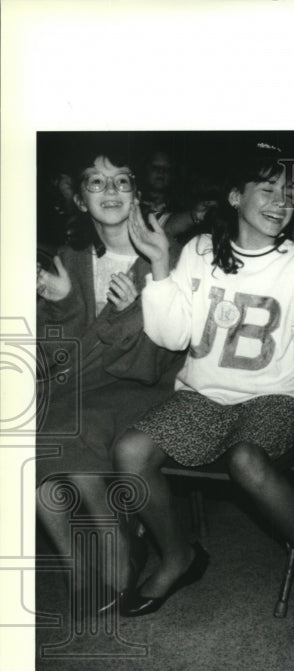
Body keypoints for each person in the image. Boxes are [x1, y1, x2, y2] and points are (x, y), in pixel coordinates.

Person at [112, 143, 294, 641]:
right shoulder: (201, 250)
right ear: (236, 195)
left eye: (288, 192)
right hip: (205, 397)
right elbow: (173, 336)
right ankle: (179, 556)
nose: (281, 201)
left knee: (246, 459)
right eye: (268, 189)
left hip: (276, 396)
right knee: (130, 451)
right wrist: (159, 264)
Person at [36, 143, 185, 605]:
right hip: (84, 384)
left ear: (136, 194)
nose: (111, 190)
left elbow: (153, 363)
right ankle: (74, 564)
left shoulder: (168, 256)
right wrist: (62, 303)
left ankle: (116, 546)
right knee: (32, 437)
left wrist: (126, 314)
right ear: (81, 200)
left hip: (147, 388)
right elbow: (56, 358)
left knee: (66, 432)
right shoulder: (70, 258)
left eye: (122, 180)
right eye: (96, 182)